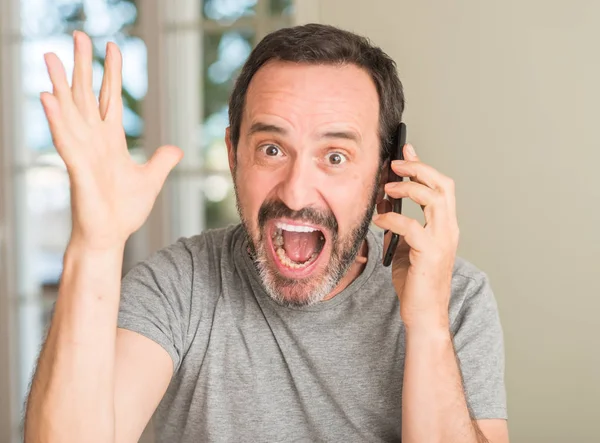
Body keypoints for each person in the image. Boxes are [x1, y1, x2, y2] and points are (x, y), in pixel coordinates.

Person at [24, 24, 509, 443]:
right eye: (272, 149)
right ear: (234, 154)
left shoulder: (456, 299)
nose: (296, 193)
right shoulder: (180, 285)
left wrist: (426, 325)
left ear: (386, 174)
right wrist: (95, 244)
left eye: (334, 157)